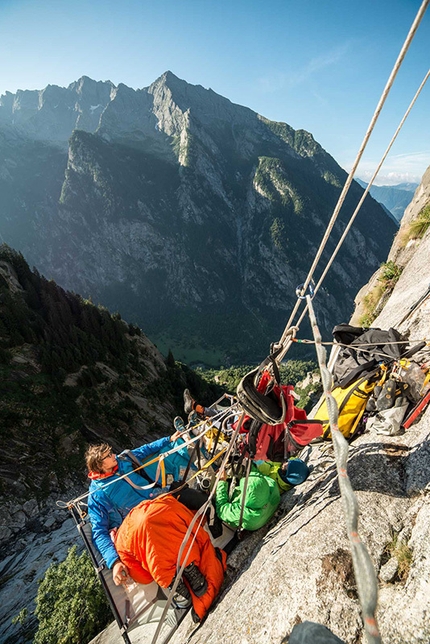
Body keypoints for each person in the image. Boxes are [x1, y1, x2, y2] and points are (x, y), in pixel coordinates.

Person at [85, 430, 190, 585]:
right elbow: (99, 532)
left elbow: (145, 449)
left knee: (192, 496)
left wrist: (168, 439)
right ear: (100, 465)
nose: (113, 455)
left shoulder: (123, 460)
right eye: (108, 456)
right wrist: (113, 562)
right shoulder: (96, 495)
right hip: (138, 520)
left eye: (111, 453)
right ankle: (174, 578)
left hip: (158, 497)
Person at [114, 493, 227, 622]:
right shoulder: (117, 480)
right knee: (170, 525)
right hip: (158, 505)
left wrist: (114, 561)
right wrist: (114, 561)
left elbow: (144, 578)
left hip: (138, 526)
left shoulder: (97, 496)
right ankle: (188, 565)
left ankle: (172, 582)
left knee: (149, 544)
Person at [215, 463, 280, 531]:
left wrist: (222, 481)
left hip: (229, 499)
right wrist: (247, 464)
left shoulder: (246, 515)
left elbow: (221, 509)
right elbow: (256, 477)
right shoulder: (272, 487)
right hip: (259, 504)